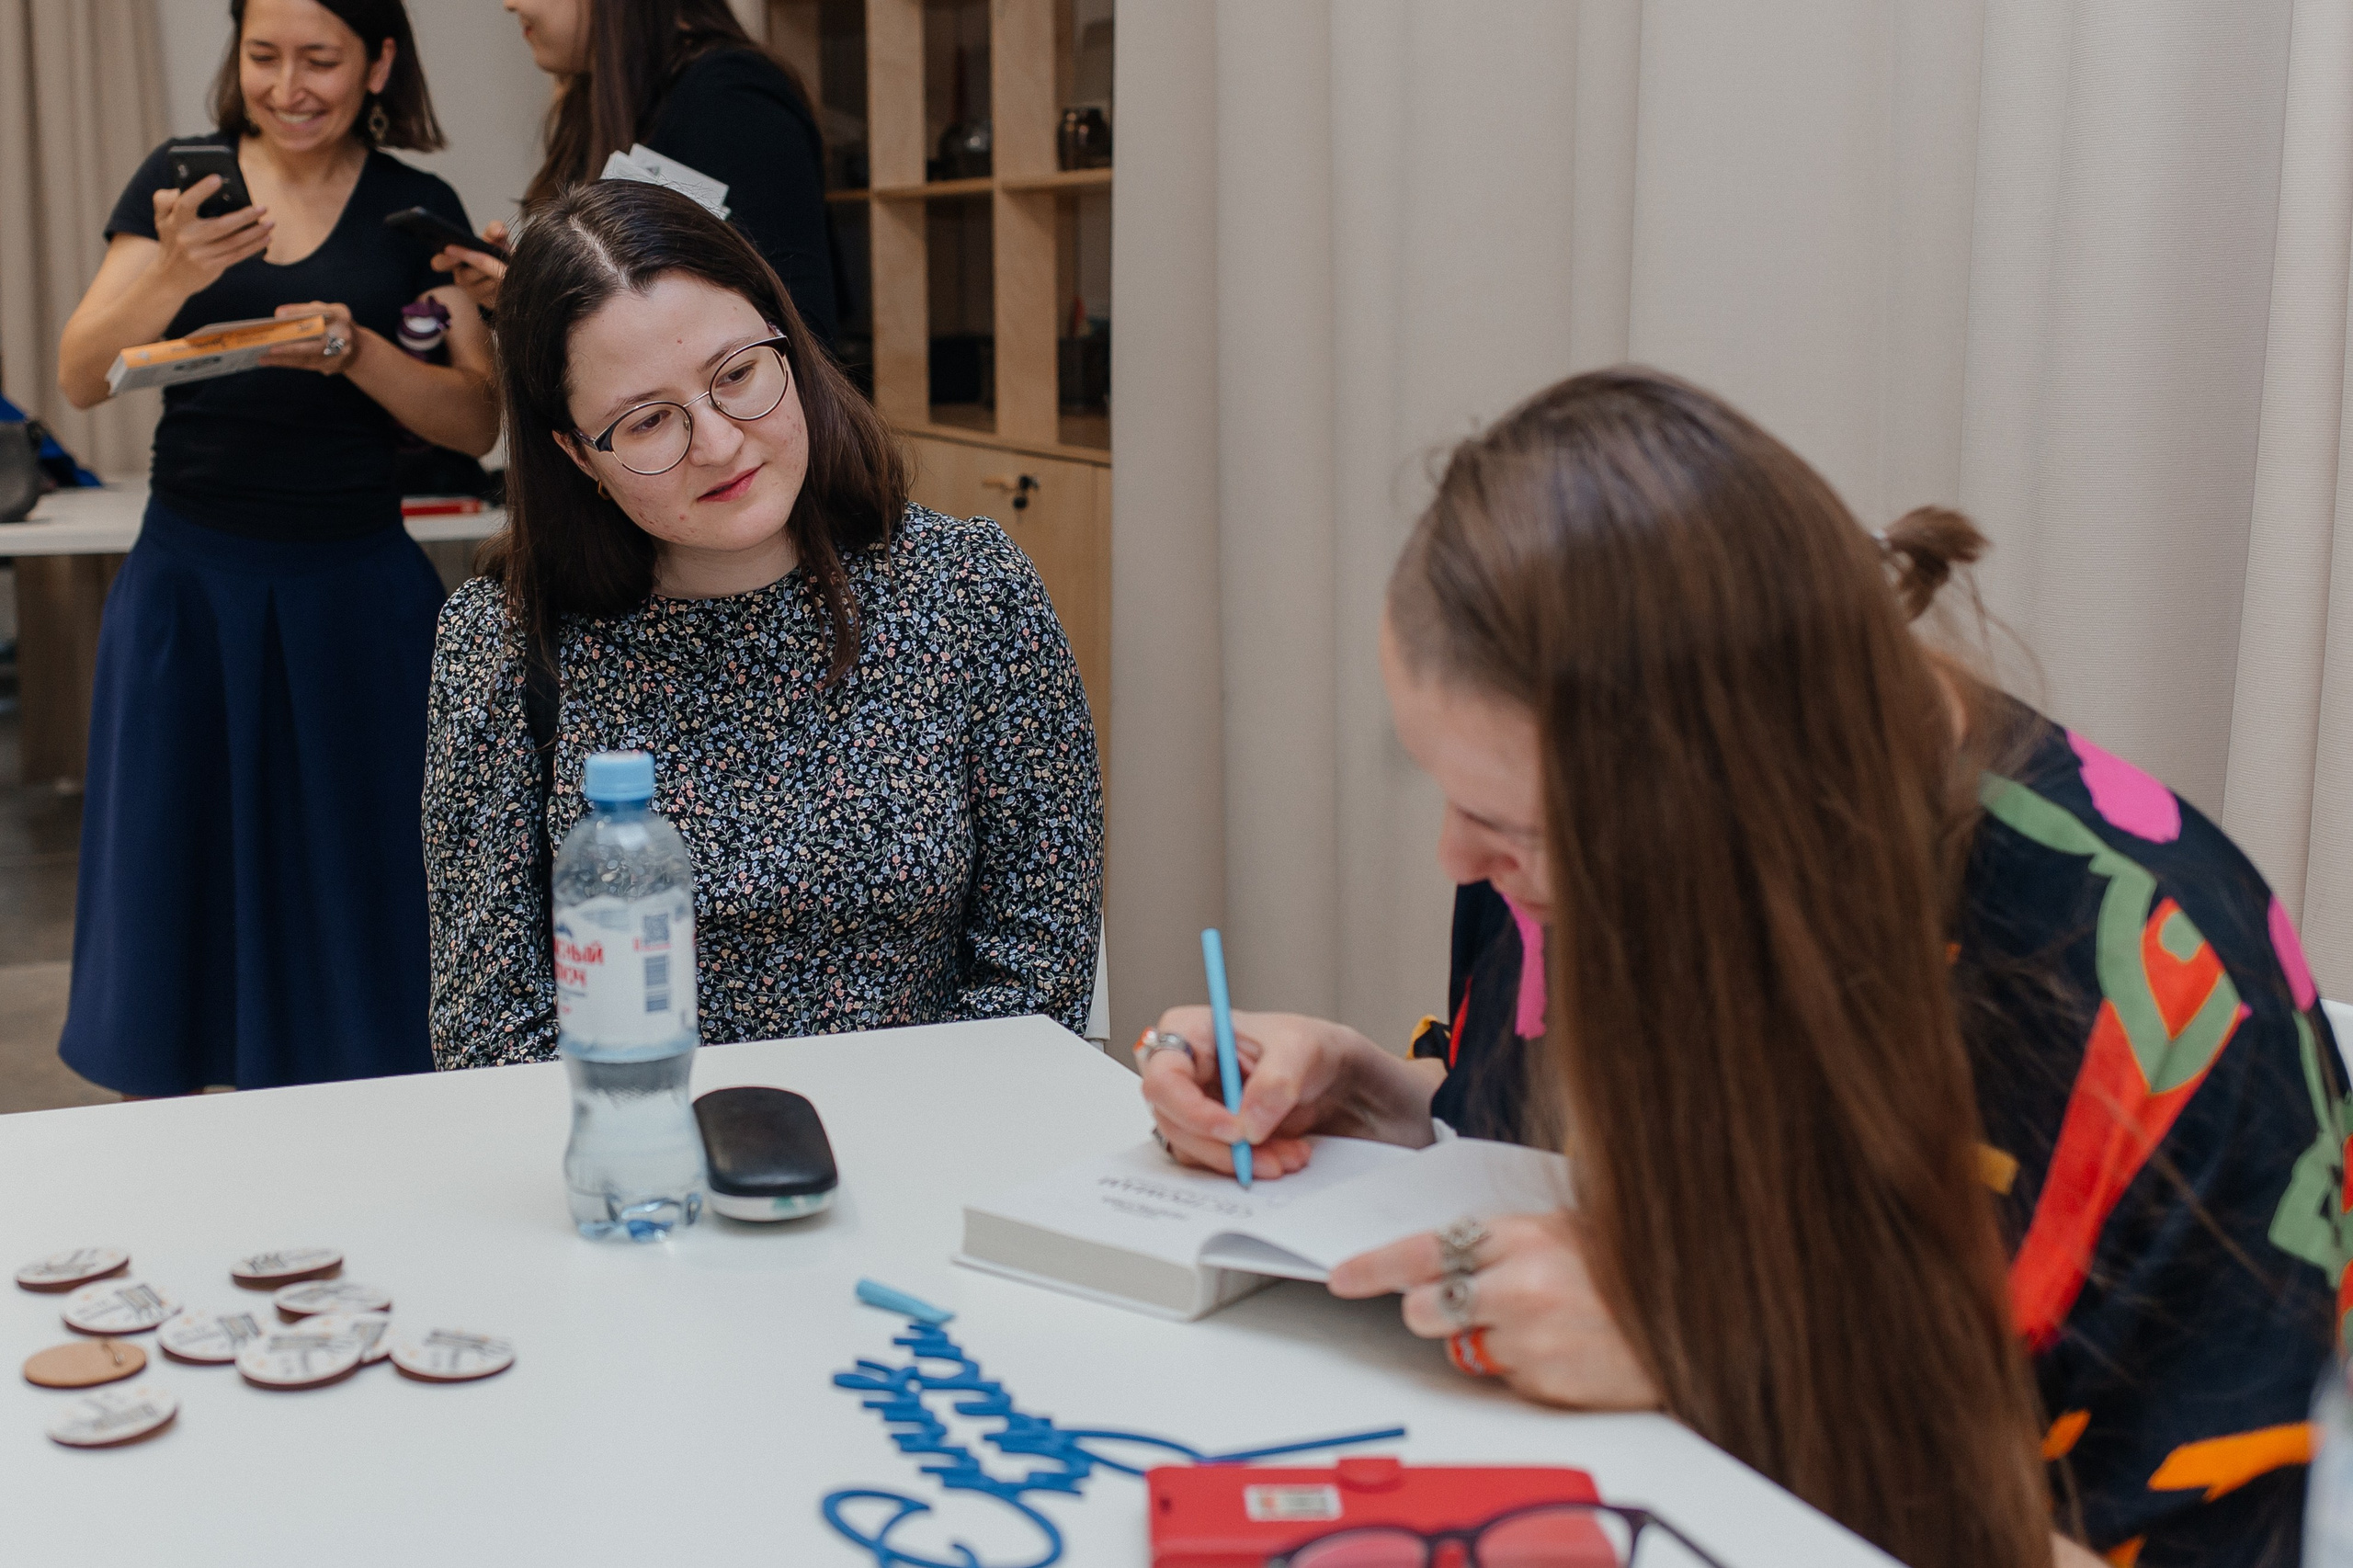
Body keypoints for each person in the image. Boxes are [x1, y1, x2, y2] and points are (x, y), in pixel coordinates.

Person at [1138, 370, 2347, 1568]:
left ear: (1730, 799)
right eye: (1452, 796)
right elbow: (1555, 1174)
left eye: (1516, 830)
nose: (1460, 857)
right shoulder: (1585, 844)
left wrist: (1717, 1370)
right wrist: (1377, 1097)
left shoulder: (2162, 998)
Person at [424, 179, 1099, 1067]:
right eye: (648, 421)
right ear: (575, 454)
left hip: (933, 1150)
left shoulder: (969, 590)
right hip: (647, 1169)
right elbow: (490, 1032)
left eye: (738, 374)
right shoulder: (505, 649)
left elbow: (1037, 979)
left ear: (788, 342)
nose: (719, 441)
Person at [52, 0, 498, 1094]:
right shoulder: (184, 179)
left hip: (356, 587)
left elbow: (475, 420)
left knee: (360, 880)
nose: (289, 86)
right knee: (175, 876)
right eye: (263, 57)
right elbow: (80, 373)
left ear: (380, 62)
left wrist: (350, 350)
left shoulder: (416, 206)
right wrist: (169, 272)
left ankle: (359, 1135)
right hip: (190, 586)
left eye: (320, 61)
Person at [433, 0, 836, 348]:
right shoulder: (603, 105)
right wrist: (527, 289)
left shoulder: (728, 99)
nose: (510, 4)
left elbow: (793, 331)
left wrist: (542, 303)